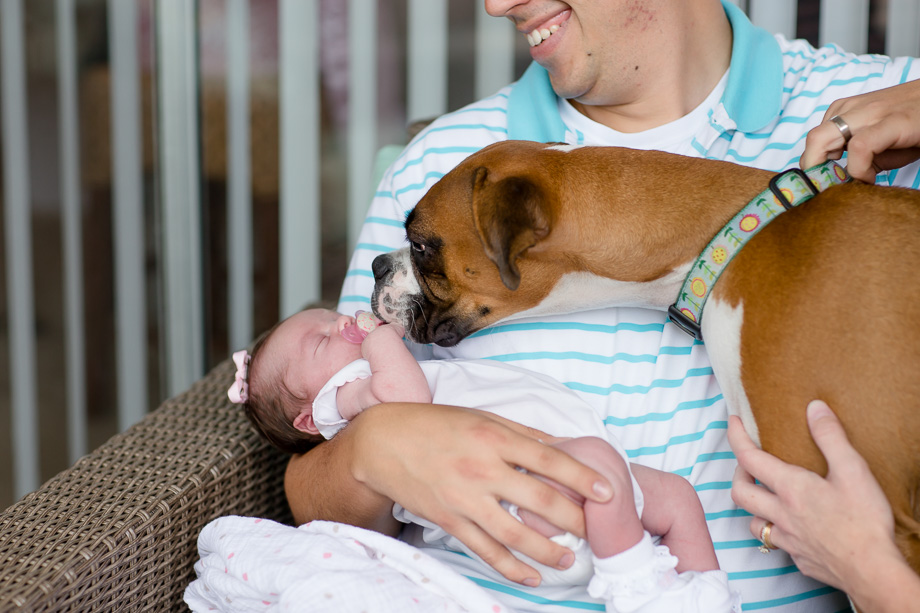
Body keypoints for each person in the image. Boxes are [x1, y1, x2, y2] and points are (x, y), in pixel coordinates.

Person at [285, 1, 920, 611]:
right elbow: (307, 478)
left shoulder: (884, 108)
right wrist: (378, 449)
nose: (496, 4)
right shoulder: (444, 164)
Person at [228, 307, 740, 610]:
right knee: (595, 462)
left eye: (333, 318)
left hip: (555, 473)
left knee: (676, 496)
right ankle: (639, 588)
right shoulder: (342, 403)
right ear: (307, 422)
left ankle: (703, 595)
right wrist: (383, 337)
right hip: (516, 511)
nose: (343, 324)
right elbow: (407, 401)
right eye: (323, 339)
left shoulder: (358, 379)